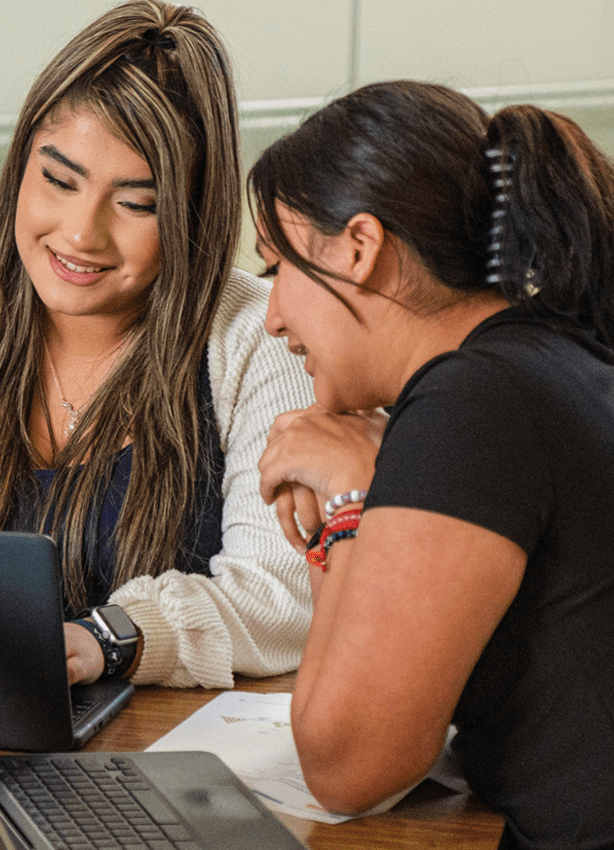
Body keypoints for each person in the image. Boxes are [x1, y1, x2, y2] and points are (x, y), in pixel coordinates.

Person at [0, 0, 314, 689]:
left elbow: (282, 600)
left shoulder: (256, 341)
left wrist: (108, 638)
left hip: (163, 765)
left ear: (194, 211)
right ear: (21, 165)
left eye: (136, 204)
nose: (82, 233)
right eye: (58, 180)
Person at [251, 80, 614, 849]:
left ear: (359, 247)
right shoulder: (549, 356)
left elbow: (347, 764)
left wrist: (350, 501)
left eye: (276, 265)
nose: (275, 315)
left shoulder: (475, 402)